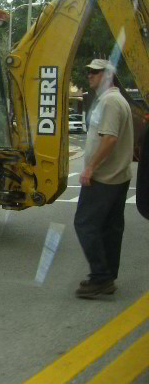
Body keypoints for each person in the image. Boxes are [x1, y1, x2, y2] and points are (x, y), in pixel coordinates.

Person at [73, 58, 134, 299]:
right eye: (89, 71)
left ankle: (100, 277)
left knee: (85, 224)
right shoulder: (116, 100)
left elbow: (109, 139)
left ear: (107, 75)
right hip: (118, 176)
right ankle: (108, 275)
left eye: (95, 72)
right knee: (110, 227)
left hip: (104, 178)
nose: (89, 75)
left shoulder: (110, 102)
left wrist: (89, 168)